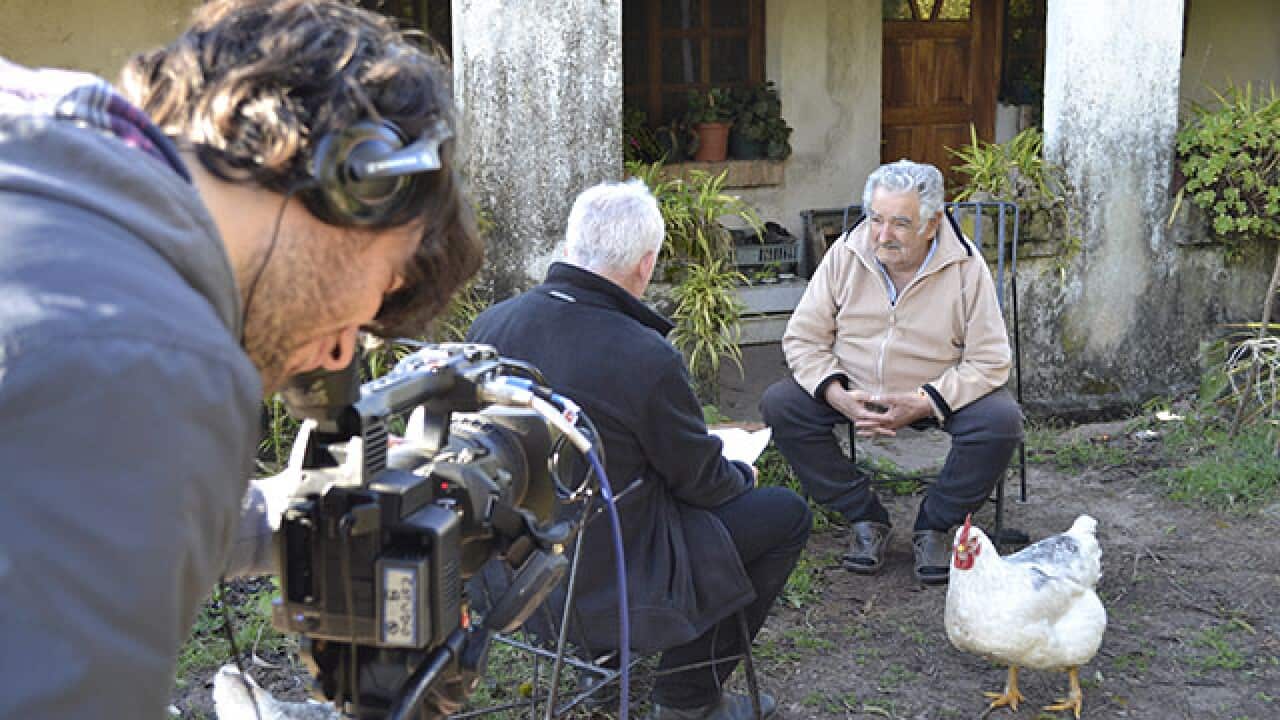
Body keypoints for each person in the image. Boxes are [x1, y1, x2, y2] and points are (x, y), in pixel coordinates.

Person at [0, 2, 480, 717]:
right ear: (356, 178)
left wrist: (282, 513)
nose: (341, 349)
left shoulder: (45, 148)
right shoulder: (151, 351)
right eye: (374, 295)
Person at [467, 180, 811, 720]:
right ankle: (686, 699)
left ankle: (596, 664)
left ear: (569, 246)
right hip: (614, 585)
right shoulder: (645, 355)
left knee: (601, 494)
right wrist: (740, 468)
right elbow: (702, 483)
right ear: (645, 265)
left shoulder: (489, 326)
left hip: (510, 578)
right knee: (784, 514)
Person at [760, 159, 1023, 585]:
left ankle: (936, 524)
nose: (882, 235)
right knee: (781, 404)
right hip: (853, 388)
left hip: (934, 392)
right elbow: (803, 339)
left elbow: (990, 360)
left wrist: (925, 402)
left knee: (1000, 421)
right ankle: (863, 515)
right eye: (876, 219)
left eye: (900, 223)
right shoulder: (845, 254)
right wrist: (836, 393)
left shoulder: (966, 268)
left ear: (933, 223)